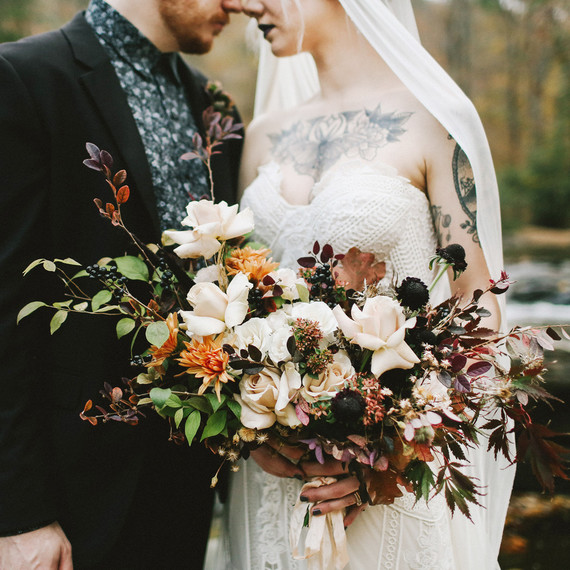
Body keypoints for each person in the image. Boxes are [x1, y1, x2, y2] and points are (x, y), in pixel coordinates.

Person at [214, 0, 516, 569]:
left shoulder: (432, 120)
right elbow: (242, 300)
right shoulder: (262, 134)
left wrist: (393, 449)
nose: (245, 5)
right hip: (279, 473)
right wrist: (255, 420)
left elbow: (477, 305)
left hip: (390, 472)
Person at [0, 0, 242, 568]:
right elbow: (5, 306)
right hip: (67, 501)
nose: (238, 3)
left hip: (186, 492)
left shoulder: (216, 107)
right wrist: (17, 514)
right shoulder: (25, 79)